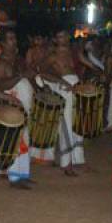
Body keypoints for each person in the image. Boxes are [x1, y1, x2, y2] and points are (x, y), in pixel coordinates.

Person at [0, 28, 34, 188]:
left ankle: (23, 173)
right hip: (12, 105)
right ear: (2, 43)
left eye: (14, 38)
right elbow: (1, 85)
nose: (13, 41)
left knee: (25, 138)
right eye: (9, 39)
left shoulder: (17, 60)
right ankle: (15, 177)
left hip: (23, 105)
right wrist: (21, 76)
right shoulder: (0, 63)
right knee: (15, 140)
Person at [41, 29, 86, 175]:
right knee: (66, 125)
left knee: (78, 124)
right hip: (64, 89)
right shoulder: (53, 56)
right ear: (55, 40)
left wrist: (99, 69)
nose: (63, 38)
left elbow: (86, 63)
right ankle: (66, 163)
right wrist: (60, 81)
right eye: (59, 36)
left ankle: (78, 159)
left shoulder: (74, 52)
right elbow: (42, 72)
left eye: (65, 36)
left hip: (76, 88)